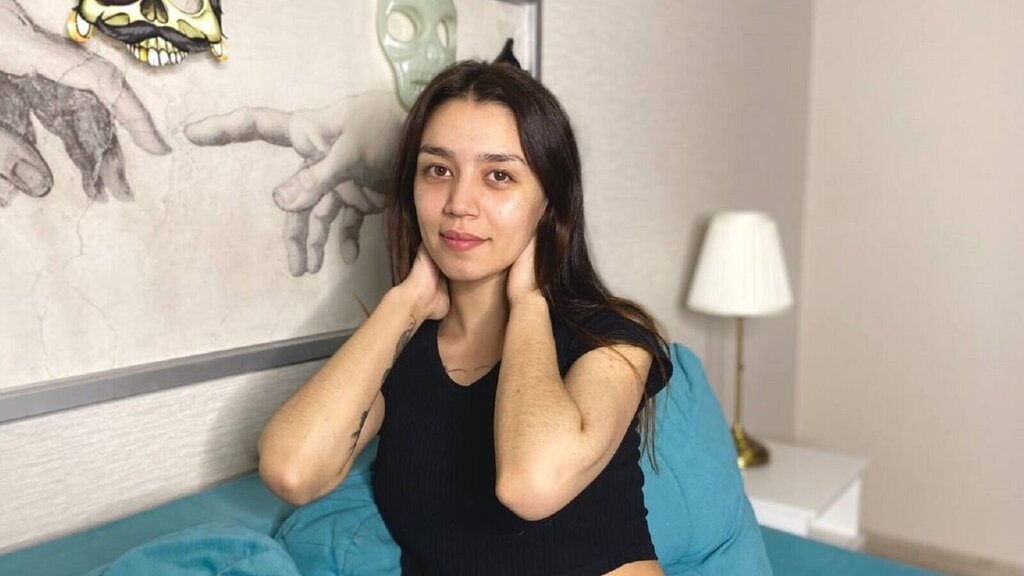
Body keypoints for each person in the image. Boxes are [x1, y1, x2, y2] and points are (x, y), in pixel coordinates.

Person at [258, 60, 672, 576]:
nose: (458, 203)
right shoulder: (402, 352)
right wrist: (406, 303)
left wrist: (529, 303)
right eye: (438, 170)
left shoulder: (611, 339)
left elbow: (531, 484)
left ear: (549, 202)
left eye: (499, 176)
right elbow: (292, 472)